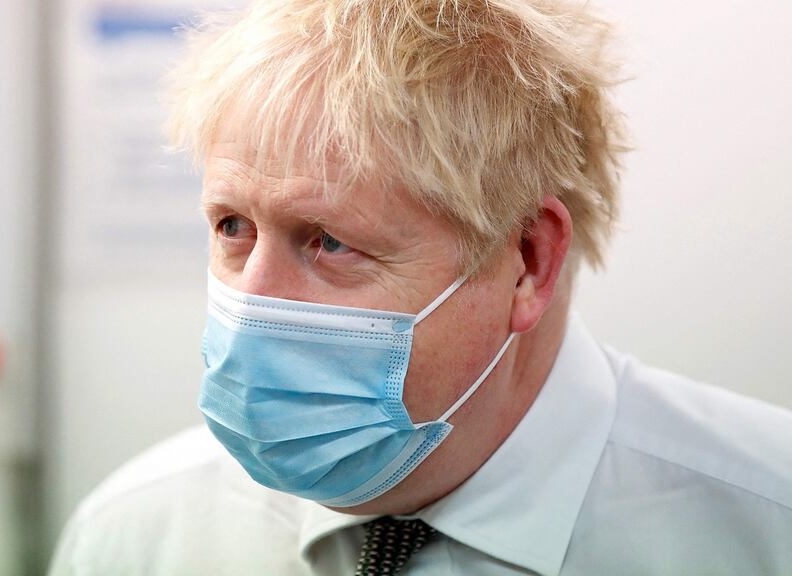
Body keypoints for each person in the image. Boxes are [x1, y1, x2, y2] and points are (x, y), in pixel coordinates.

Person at [49, 1, 792, 574]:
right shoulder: (137, 534)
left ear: (528, 260)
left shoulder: (763, 524)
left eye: (330, 241)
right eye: (233, 227)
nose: (255, 304)